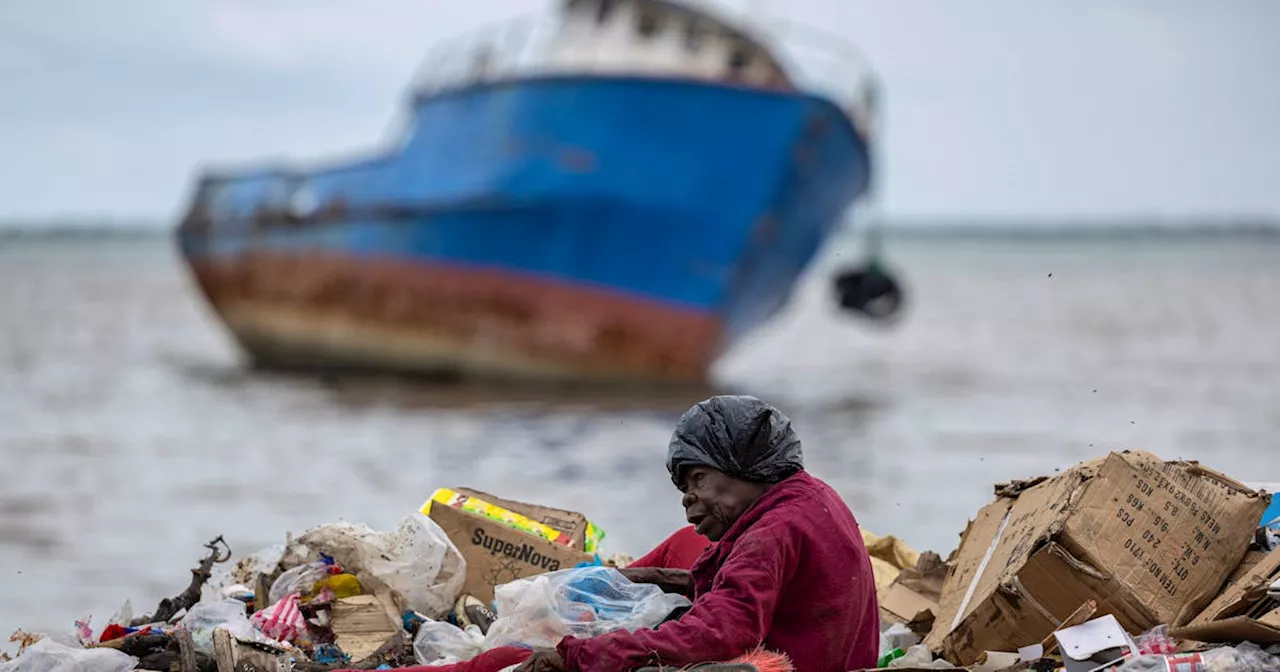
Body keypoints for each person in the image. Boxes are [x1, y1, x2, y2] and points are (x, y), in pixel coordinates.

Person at [517, 395, 880, 672]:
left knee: (519, 657)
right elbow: (748, 594)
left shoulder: (770, 534)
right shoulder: (813, 496)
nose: (689, 499)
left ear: (742, 462)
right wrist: (657, 578)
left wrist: (576, 656)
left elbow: (718, 633)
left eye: (698, 479)